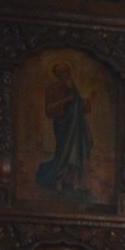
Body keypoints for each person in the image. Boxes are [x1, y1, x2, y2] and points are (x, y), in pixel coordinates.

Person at [36, 60, 94, 196]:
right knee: (63, 154)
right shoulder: (52, 88)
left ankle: (69, 184)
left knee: (74, 155)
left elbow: (79, 109)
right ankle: (54, 179)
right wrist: (66, 100)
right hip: (63, 126)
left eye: (68, 71)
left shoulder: (72, 87)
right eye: (63, 72)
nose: (66, 74)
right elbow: (49, 110)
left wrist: (86, 102)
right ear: (57, 74)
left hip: (75, 128)